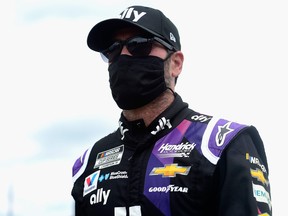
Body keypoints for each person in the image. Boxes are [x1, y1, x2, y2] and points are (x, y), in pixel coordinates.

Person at [71, 5, 272, 216]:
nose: (123, 56)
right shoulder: (88, 163)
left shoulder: (221, 144)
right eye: (112, 49)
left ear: (176, 63)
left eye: (138, 45)